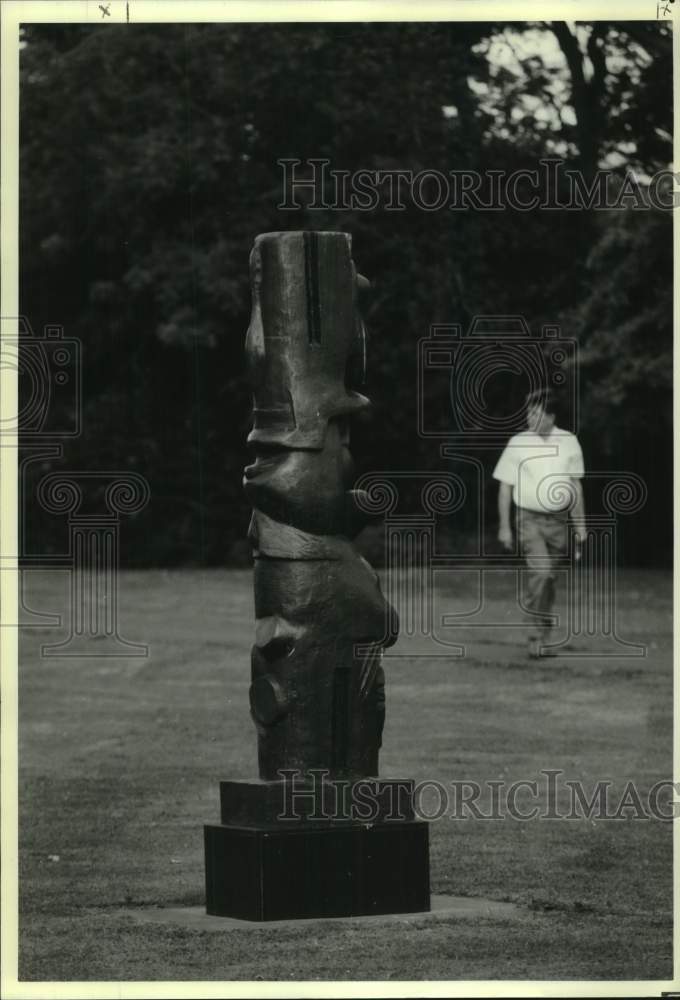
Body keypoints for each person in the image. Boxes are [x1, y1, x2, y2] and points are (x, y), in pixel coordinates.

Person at [493, 388, 587, 659]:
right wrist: (504, 526)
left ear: (551, 416)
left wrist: (580, 525)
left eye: (536, 413)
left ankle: (543, 635)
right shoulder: (518, 443)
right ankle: (534, 636)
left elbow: (576, 488)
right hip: (528, 519)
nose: (530, 418)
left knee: (549, 579)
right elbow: (504, 488)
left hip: (558, 522)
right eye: (528, 413)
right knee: (542, 573)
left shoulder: (569, 441)